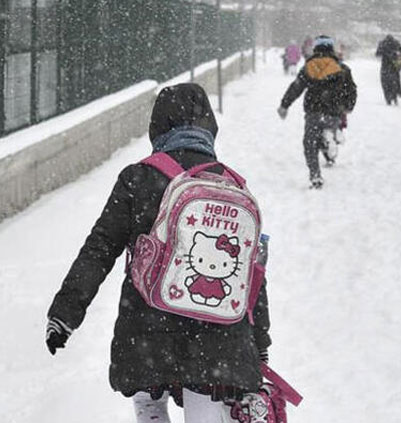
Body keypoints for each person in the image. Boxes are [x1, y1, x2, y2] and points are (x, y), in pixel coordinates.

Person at [45, 83, 272, 421]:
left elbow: (100, 248)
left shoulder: (138, 178)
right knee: (207, 405)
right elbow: (250, 273)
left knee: (149, 402)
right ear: (209, 126)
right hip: (217, 335)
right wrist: (259, 341)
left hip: (146, 326)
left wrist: (65, 312)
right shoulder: (231, 185)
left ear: (158, 126)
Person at [278, 35, 357, 189]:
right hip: (334, 111)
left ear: (315, 48)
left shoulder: (309, 67)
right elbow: (351, 90)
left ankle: (315, 176)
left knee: (310, 143)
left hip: (313, 111)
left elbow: (296, 87)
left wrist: (284, 105)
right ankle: (331, 138)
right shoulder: (342, 68)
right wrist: (348, 106)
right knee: (327, 131)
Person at [376, 34, 401, 105]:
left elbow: (377, 54)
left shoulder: (383, 43)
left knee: (385, 83)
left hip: (385, 66)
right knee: (395, 81)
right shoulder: (396, 43)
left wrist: (384, 53)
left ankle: (388, 98)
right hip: (394, 66)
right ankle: (395, 95)